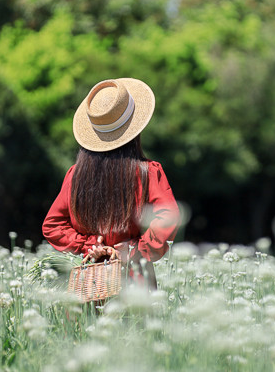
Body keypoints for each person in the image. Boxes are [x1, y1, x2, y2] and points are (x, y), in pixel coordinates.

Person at [42, 78, 180, 288]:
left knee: (87, 320)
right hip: (135, 281)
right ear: (134, 130)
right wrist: (134, 250)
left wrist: (90, 246)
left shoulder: (76, 175)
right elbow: (168, 218)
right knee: (133, 322)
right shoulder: (148, 173)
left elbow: (53, 225)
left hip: (90, 282)